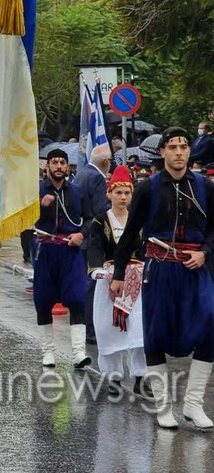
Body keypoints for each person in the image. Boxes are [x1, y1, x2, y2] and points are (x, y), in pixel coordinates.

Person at [113, 127, 214, 429]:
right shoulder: (148, 188)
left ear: (189, 151)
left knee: (209, 328)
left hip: (195, 269)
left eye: (184, 146)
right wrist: (118, 274)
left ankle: (193, 405)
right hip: (159, 269)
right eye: (172, 147)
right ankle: (163, 406)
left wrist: (205, 252)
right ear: (163, 152)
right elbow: (131, 233)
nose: (179, 152)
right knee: (156, 333)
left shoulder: (205, 186)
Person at [87, 165, 152, 398]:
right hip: (110, 280)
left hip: (136, 282)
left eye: (127, 193)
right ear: (109, 194)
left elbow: (146, 247)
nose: (123, 197)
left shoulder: (139, 220)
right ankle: (113, 378)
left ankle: (140, 378)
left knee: (138, 331)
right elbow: (94, 246)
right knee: (109, 329)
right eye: (118, 193)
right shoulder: (100, 221)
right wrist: (96, 269)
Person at [34, 148, 93, 369]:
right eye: (54, 162)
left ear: (68, 167)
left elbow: (90, 219)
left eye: (62, 163)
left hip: (70, 251)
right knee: (43, 300)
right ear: (47, 166)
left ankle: (78, 352)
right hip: (46, 251)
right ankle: (48, 351)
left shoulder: (77, 192)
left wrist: (81, 235)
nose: (59, 166)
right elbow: (25, 220)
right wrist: (40, 206)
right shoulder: (37, 191)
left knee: (77, 298)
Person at [74, 146, 113, 344]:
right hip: (92, 239)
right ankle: (91, 329)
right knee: (94, 286)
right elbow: (101, 210)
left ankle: (85, 326)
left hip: (83, 237)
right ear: (105, 162)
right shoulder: (96, 178)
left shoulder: (82, 174)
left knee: (87, 285)